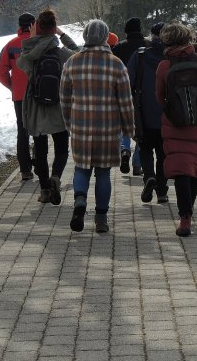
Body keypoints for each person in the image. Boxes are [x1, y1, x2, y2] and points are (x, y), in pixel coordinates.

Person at [60, 19, 135, 233]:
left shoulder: (72, 63)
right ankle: (101, 218)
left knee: (81, 168)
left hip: (81, 127)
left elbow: (64, 99)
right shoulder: (116, 64)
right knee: (103, 174)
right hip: (108, 128)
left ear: (85, 37)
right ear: (105, 37)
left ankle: (80, 200)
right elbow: (126, 102)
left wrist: (69, 124)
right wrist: (129, 129)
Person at [155, 23, 197, 237]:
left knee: (181, 167)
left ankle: (184, 218)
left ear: (167, 41)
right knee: (195, 166)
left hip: (174, 124)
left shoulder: (164, 65)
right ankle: (188, 213)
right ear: (188, 39)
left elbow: (159, 95)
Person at [16, 8, 77, 205]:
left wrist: (32, 38)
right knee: (61, 148)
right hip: (59, 106)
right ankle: (56, 178)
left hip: (36, 107)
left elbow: (20, 64)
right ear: (54, 29)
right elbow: (78, 54)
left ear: (38, 28)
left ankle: (44, 191)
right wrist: (62, 35)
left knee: (40, 151)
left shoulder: (30, 54)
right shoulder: (60, 53)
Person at [127, 21, 168, 204]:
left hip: (144, 112)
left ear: (151, 36)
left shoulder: (140, 56)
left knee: (145, 149)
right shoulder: (172, 57)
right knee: (163, 153)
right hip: (167, 113)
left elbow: (129, 82)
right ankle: (162, 191)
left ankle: (149, 177)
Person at [0, 12, 36, 181]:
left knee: (22, 131)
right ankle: (41, 166)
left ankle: (25, 170)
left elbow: (0, 70)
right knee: (40, 131)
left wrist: (12, 86)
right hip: (39, 94)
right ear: (34, 24)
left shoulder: (10, 45)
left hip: (19, 96)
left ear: (19, 26)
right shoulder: (39, 42)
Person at [112, 17, 148, 176]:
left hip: (123, 91)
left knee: (124, 125)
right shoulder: (148, 46)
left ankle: (125, 149)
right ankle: (137, 164)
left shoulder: (119, 47)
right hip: (144, 93)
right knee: (142, 128)